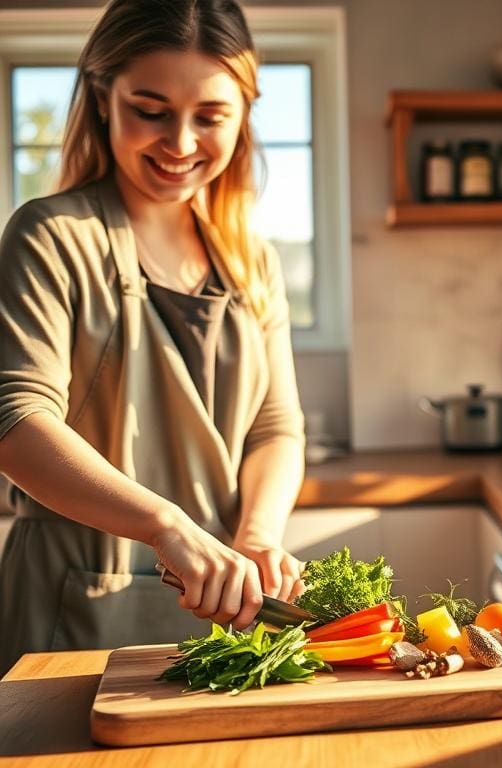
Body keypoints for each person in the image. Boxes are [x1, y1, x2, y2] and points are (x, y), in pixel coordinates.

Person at [0, 0, 307, 674]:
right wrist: (167, 526)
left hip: (227, 612)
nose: (182, 142)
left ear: (243, 116)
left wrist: (256, 534)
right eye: (152, 109)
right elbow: (17, 421)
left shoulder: (250, 258)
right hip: (74, 603)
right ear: (102, 96)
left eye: (211, 117)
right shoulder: (50, 236)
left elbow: (276, 428)